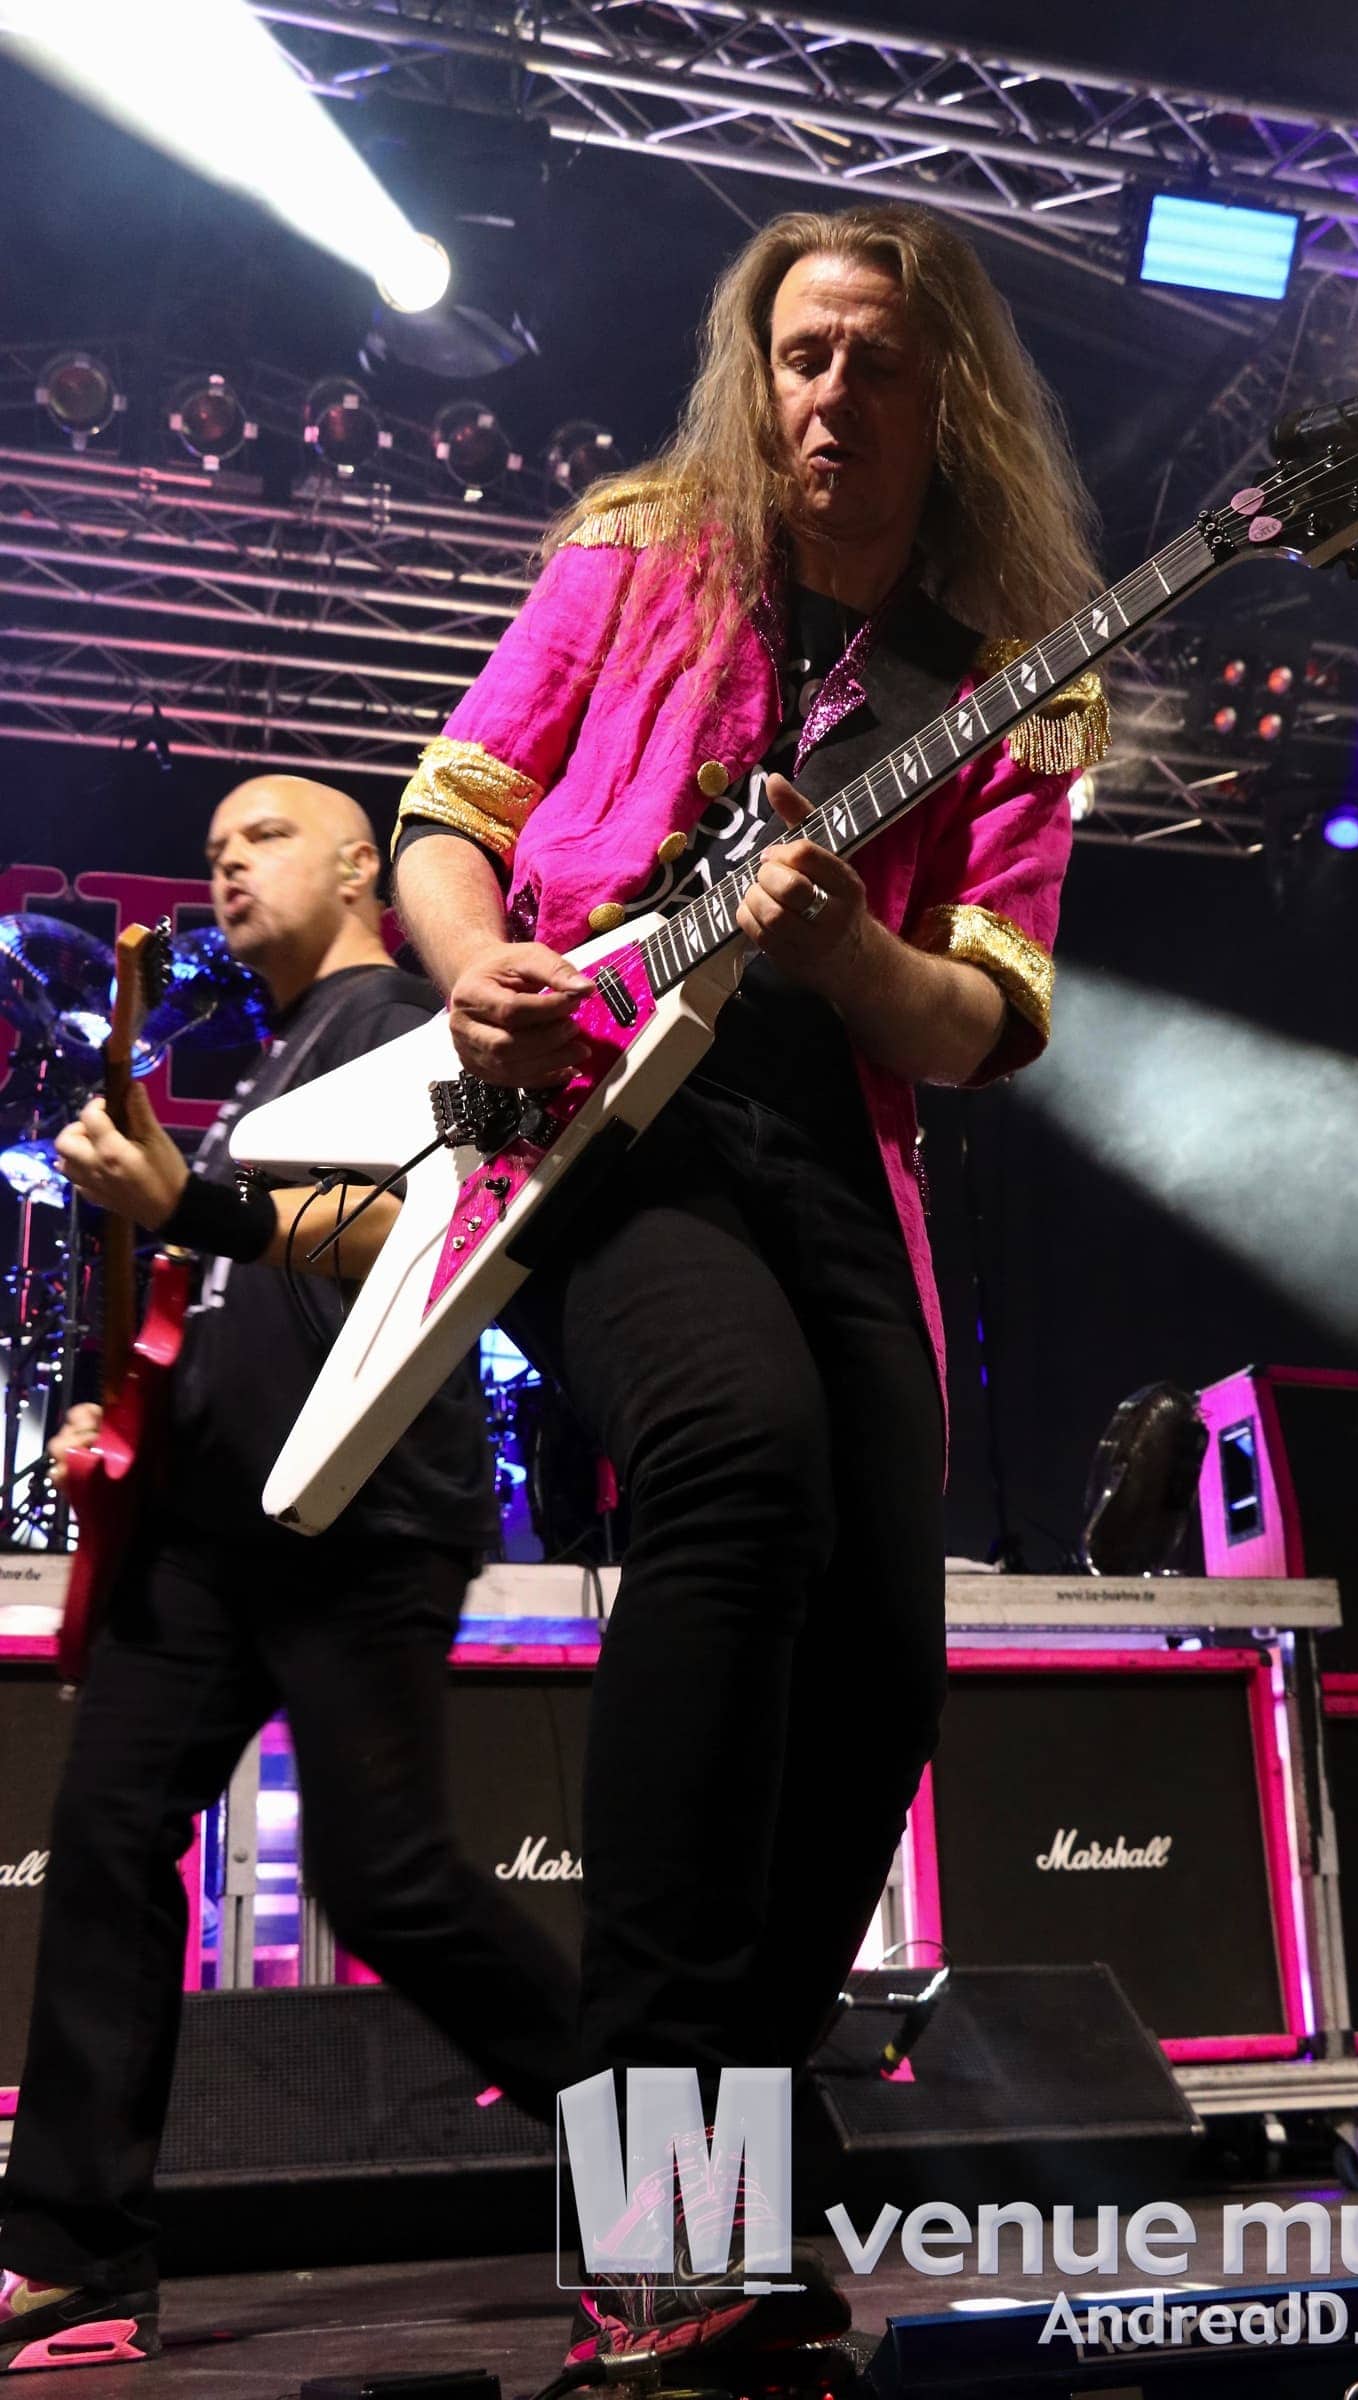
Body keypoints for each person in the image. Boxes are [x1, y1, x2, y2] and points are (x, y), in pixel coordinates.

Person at [393, 201, 1108, 2365]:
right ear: (756, 373)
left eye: (875, 357)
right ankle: (655, 2225)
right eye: (801, 353)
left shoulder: (1012, 666)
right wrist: (471, 967)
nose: (831, 393)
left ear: (945, 388)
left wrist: (848, 953)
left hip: (833, 1146)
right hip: (604, 1122)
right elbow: (446, 815)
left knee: (883, 1663)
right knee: (736, 1464)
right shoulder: (637, 552)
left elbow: (981, 1021)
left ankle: (731, 2176)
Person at [0, 776, 577, 2376]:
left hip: (360, 1510)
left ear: (357, 861)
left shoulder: (408, 1023)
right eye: (212, 853)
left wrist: (188, 1199)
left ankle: (695, 2185)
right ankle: (72, 2255)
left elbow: (426, 1232)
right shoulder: (263, 1064)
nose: (227, 867)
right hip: (207, 1526)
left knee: (393, 1883)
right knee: (106, 1833)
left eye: (261, 839)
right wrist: (118, 1412)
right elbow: (224, 1298)